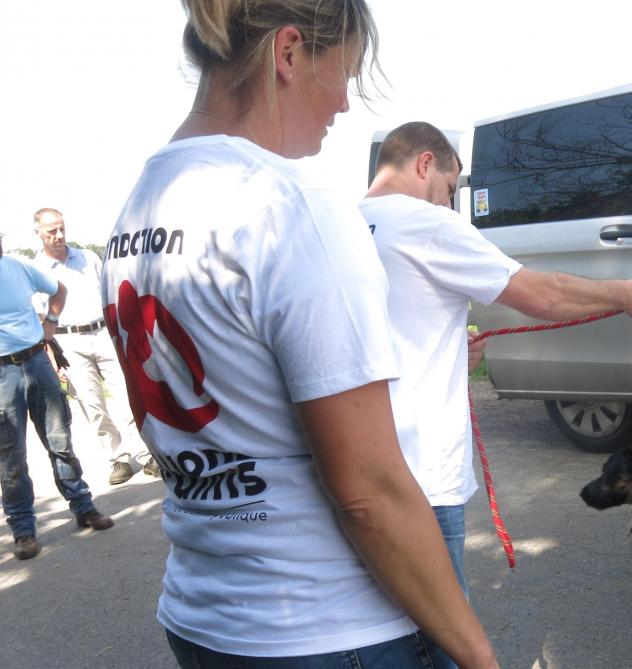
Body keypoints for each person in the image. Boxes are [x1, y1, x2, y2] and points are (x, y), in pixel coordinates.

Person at [100, 3, 497, 667]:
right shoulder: (288, 205)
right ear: (287, 54)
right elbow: (368, 491)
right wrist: (478, 656)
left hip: (203, 615)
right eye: (342, 73)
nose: (344, 103)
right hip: (326, 626)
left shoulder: (135, 209)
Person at [360, 121, 632, 615]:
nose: (446, 202)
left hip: (355, 465)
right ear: (423, 164)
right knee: (440, 620)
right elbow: (540, 295)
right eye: (448, 187)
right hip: (420, 470)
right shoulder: (427, 224)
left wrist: (450, 353)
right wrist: (621, 293)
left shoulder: (342, 226)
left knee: (382, 612)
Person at [1, 231, 114, 561]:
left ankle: (84, 508)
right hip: (2, 375)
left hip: (37, 361)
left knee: (60, 441)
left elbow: (58, 290)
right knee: (11, 458)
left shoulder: (18, 266)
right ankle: (23, 530)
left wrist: (50, 324)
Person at [32, 208, 155, 485]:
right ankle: (118, 459)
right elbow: (40, 317)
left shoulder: (87, 258)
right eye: (51, 230)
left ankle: (147, 454)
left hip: (102, 332)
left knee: (126, 395)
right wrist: (50, 354)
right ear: (37, 233)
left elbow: (108, 293)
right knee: (92, 403)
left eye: (62, 228)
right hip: (69, 341)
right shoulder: (36, 270)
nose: (59, 235)